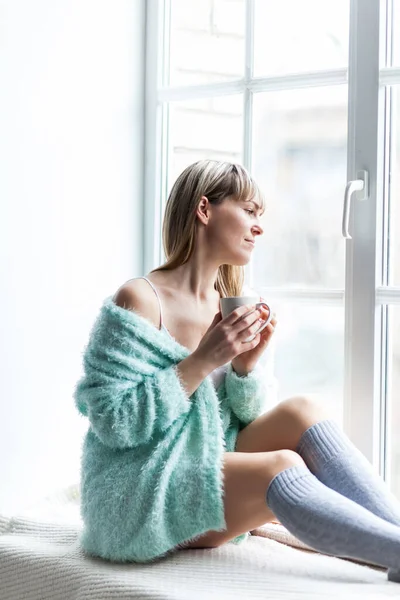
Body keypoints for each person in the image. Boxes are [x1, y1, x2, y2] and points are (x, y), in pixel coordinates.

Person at [75, 160, 400, 581]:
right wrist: (203, 360)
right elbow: (114, 423)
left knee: (303, 409)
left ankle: (394, 539)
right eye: (249, 211)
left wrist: (245, 368)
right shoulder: (138, 299)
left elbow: (236, 422)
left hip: (202, 460)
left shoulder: (227, 301)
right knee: (281, 465)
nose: (259, 227)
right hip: (140, 488)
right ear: (205, 210)